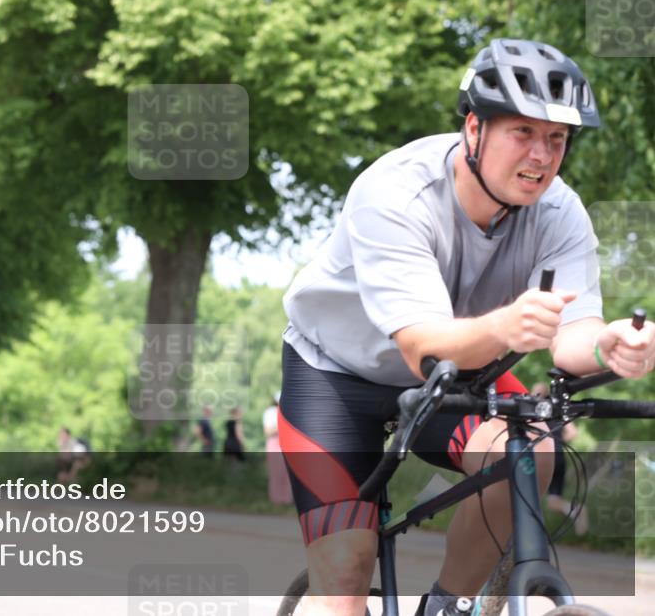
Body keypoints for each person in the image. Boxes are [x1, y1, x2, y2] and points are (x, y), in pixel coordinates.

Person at [279, 38, 655, 616]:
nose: (541, 155)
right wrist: (507, 324)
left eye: (557, 138)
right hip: (333, 373)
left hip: (458, 372)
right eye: (523, 132)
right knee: (347, 570)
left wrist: (609, 345)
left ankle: (448, 607)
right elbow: (422, 345)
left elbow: (573, 336)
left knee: (531, 452)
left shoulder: (560, 212)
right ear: (474, 129)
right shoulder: (396, 192)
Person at [532, 383, 589, 535]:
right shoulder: (559, 409)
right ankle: (575, 510)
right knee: (553, 502)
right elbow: (573, 433)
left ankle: (531, 534)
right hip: (559, 456)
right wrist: (558, 440)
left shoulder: (532, 410)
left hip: (542, 457)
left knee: (527, 496)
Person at [263, 391, 293, 504]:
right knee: (276, 473)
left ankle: (287, 500)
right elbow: (268, 432)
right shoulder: (270, 412)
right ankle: (276, 500)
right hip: (274, 447)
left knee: (288, 475)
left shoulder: (289, 411)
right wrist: (282, 423)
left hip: (288, 446)